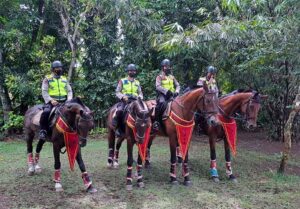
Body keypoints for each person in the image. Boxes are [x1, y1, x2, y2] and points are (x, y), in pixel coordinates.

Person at [39, 60, 73, 140]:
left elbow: (69, 91)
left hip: (65, 102)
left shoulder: (64, 79)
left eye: (60, 67)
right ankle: (43, 131)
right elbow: (44, 91)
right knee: (46, 112)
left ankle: (75, 129)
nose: (59, 69)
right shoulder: (47, 79)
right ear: (53, 69)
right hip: (52, 102)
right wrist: (51, 100)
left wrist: (69, 100)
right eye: (57, 68)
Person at [112, 64, 143, 132]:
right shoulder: (122, 81)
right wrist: (123, 96)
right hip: (125, 100)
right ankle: (117, 128)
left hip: (135, 101)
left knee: (144, 111)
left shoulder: (137, 82)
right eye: (131, 71)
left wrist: (140, 97)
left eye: (134, 71)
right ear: (128, 72)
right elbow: (117, 92)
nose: (132, 72)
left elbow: (140, 93)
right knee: (119, 111)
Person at [152, 59, 180, 130]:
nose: (167, 68)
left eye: (168, 66)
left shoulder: (172, 77)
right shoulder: (159, 76)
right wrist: (166, 91)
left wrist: (177, 91)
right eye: (166, 67)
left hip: (173, 94)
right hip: (163, 95)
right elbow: (157, 86)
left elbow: (177, 85)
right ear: (162, 67)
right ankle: (156, 122)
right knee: (161, 104)